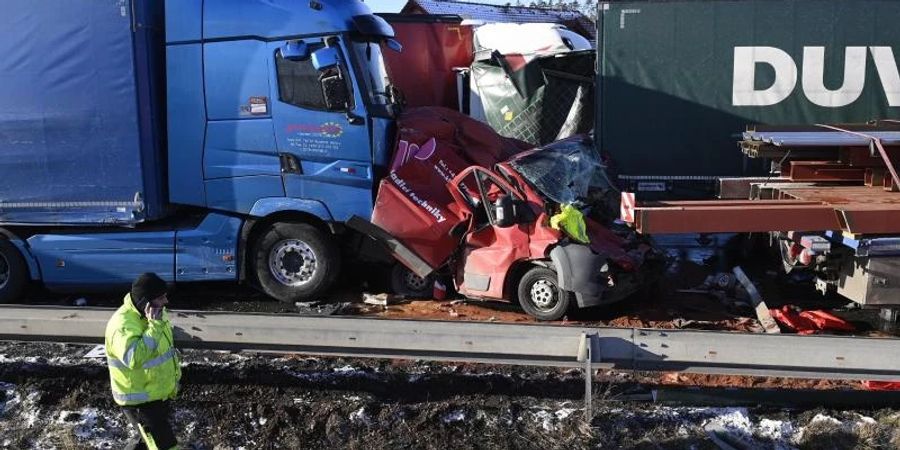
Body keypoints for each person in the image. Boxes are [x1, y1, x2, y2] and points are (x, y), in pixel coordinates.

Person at [105, 273, 181, 450]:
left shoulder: (157, 313)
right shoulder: (122, 326)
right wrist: (154, 327)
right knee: (165, 446)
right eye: (161, 297)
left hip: (156, 394)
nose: (166, 301)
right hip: (140, 402)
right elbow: (134, 358)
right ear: (145, 303)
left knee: (146, 443)